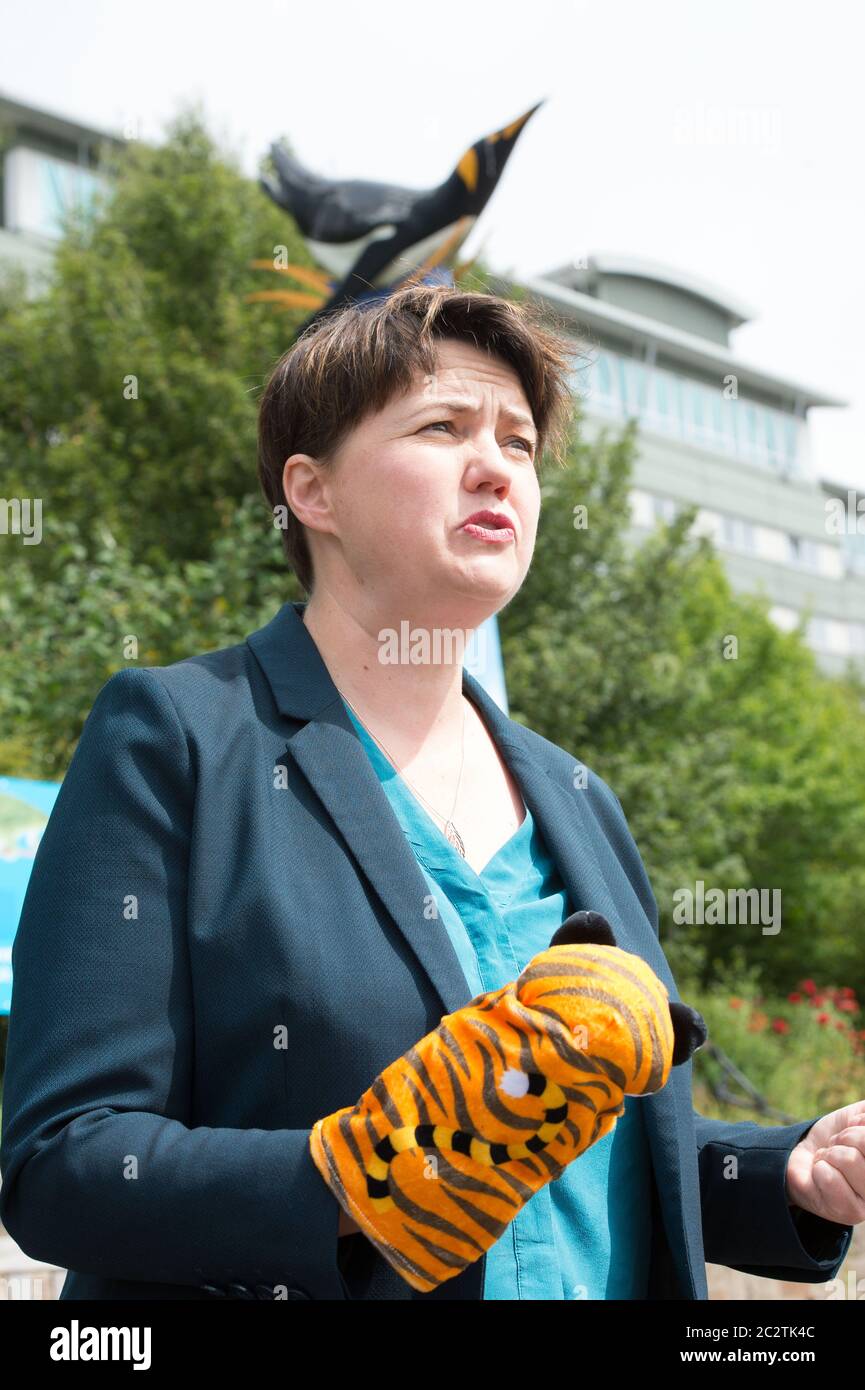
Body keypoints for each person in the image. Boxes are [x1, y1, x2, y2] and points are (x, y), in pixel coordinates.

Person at [0, 283, 860, 1301]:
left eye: (521, 442)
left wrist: (788, 1172)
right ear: (311, 492)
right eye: (442, 426)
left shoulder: (575, 793)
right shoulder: (177, 737)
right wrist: (363, 1183)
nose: (495, 464)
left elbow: (576, 1155)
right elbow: (64, 1161)